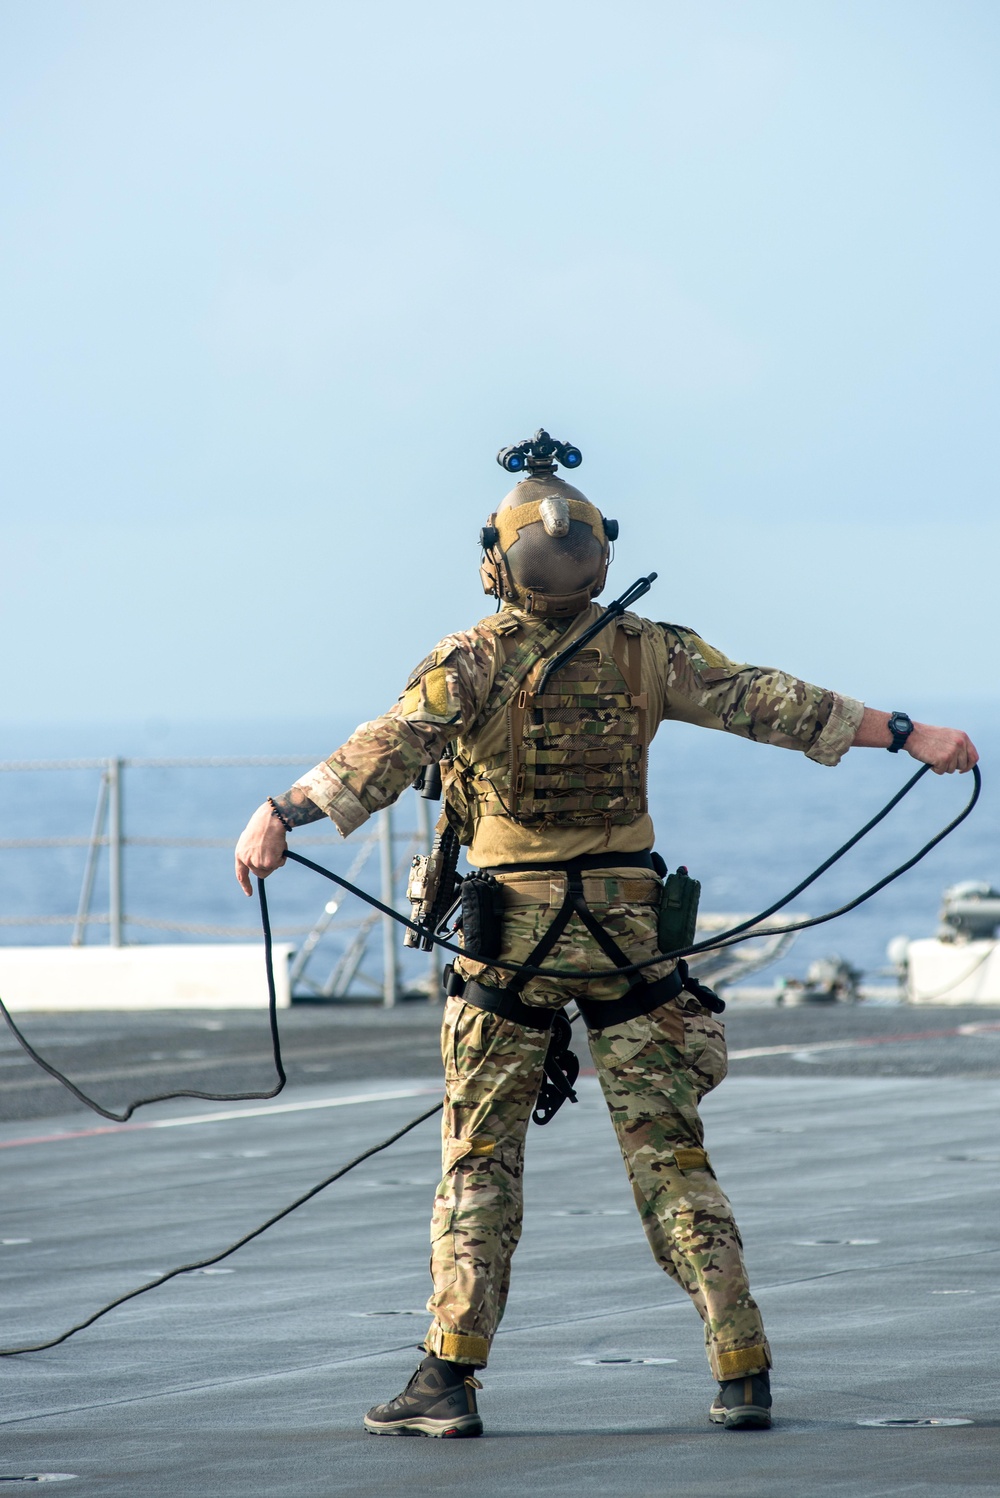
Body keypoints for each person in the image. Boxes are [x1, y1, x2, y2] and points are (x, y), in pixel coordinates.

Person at [235, 436, 977, 1438]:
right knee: (669, 1153)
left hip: (507, 940)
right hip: (629, 934)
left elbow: (376, 754)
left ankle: (447, 1379)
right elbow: (769, 700)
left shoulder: (468, 664)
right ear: (602, 557)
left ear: (494, 565)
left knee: (480, 1161)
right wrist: (905, 731)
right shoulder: (649, 652)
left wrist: (282, 810)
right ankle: (739, 1362)